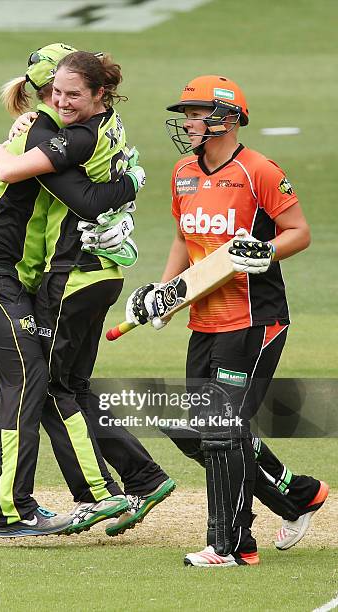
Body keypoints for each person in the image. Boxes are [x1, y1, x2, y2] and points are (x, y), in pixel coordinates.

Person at [0, 44, 174, 538]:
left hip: (29, 279)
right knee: (33, 383)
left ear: (96, 94)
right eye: (59, 92)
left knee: (31, 383)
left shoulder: (63, 133)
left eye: (74, 93)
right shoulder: (44, 134)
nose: (65, 101)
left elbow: (82, 194)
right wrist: (130, 182)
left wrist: (123, 184)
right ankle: (25, 507)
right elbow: (74, 195)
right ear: (50, 91)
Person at [125, 74, 329, 566]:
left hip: (255, 320)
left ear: (228, 119)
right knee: (194, 429)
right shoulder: (183, 172)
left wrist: (266, 251)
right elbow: (183, 237)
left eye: (196, 114)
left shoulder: (259, 170)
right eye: (186, 114)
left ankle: (232, 545)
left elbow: (298, 231)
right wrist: (164, 294)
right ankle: (297, 495)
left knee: (221, 427)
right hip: (205, 320)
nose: (188, 122)